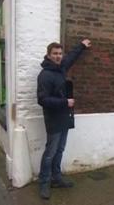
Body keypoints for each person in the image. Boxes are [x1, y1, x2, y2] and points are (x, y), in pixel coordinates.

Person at [37, 39, 91, 199]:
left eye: (60, 53)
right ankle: (44, 183)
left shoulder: (61, 68)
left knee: (60, 150)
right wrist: (64, 102)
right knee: (50, 153)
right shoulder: (45, 75)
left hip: (65, 117)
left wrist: (81, 46)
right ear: (48, 55)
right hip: (54, 119)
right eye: (55, 54)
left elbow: (71, 58)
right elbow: (42, 100)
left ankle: (56, 178)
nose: (59, 56)